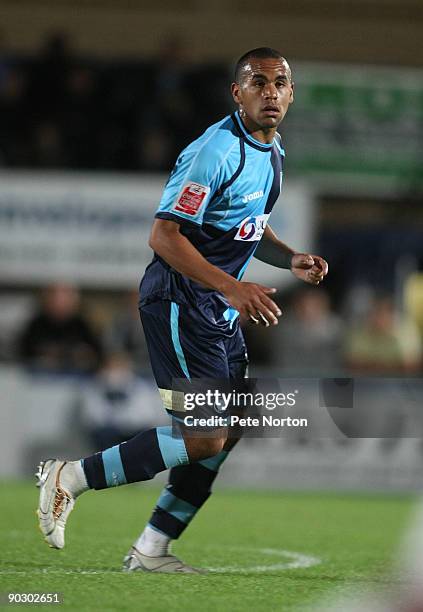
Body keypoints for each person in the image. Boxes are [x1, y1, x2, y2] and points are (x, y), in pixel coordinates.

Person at [36, 47, 328, 573]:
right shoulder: (213, 151)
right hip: (178, 301)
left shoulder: (272, 151)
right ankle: (70, 477)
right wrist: (235, 289)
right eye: (257, 82)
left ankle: (151, 550)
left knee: (226, 429)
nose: (270, 92)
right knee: (203, 435)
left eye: (280, 83)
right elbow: (165, 236)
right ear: (236, 92)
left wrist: (291, 260)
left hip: (213, 307)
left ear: (291, 93)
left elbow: (247, 228)